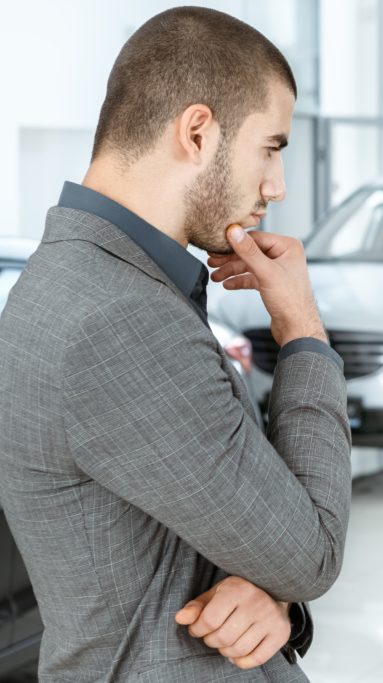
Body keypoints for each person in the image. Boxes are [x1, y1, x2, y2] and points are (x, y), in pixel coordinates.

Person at [0, 6, 351, 681]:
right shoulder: (118, 320)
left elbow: (233, 532)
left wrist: (275, 596)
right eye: (271, 148)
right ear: (197, 132)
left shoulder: (87, 282)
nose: (275, 186)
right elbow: (310, 551)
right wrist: (302, 328)